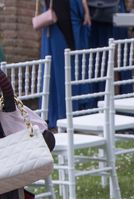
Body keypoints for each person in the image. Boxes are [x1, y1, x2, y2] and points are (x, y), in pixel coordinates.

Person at [39, 0, 91, 128]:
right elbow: (65, 16)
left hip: (52, 29)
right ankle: (63, 113)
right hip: (62, 32)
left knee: (54, 72)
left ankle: (52, 112)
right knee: (63, 71)